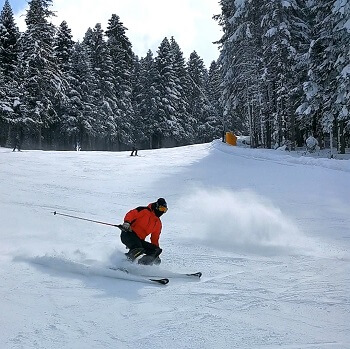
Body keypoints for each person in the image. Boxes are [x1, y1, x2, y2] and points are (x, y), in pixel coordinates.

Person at [120, 198, 168, 265]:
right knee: (138, 248)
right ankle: (122, 263)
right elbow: (131, 214)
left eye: (164, 210)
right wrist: (127, 222)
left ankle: (142, 266)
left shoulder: (158, 223)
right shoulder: (144, 211)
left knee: (156, 250)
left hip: (139, 240)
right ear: (157, 206)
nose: (162, 211)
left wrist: (156, 256)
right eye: (161, 208)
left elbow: (155, 239)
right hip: (128, 234)